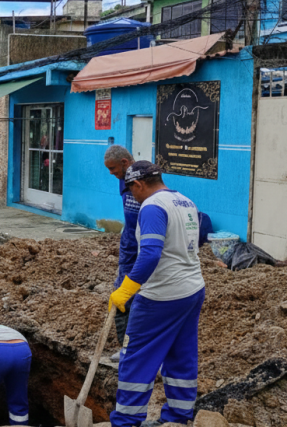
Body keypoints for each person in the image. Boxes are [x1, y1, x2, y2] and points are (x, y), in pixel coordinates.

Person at [109, 161, 205, 427]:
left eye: (131, 191)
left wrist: (126, 289)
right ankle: (179, 416)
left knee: (137, 357)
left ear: (138, 185)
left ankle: (126, 421)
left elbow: (151, 252)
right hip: (192, 289)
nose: (132, 197)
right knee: (181, 354)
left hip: (161, 295)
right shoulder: (185, 201)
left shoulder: (151, 207)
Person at [103, 146, 140, 362]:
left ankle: (135, 348)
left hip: (142, 247)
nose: (111, 173)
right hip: (129, 246)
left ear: (125, 163)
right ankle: (127, 347)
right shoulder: (123, 179)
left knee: (136, 300)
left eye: (113, 168)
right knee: (122, 299)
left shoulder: (141, 181)